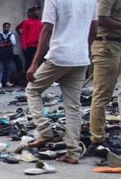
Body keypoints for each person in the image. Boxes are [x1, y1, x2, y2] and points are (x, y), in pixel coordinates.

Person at [26, 0, 98, 164]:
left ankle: (44, 130)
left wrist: (34, 62)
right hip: (80, 58)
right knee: (73, 105)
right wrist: (83, 50)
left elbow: (47, 29)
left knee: (33, 90)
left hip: (59, 56)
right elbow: (94, 28)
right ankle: (73, 152)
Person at [89, 0, 121, 151]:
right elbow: (101, 19)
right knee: (102, 94)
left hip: (118, 44)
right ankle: (97, 138)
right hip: (106, 45)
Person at [16, 6, 44, 72]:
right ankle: (26, 78)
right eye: (36, 11)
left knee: (38, 62)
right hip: (29, 46)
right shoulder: (27, 22)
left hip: (38, 46)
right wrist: (24, 45)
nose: (38, 13)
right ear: (33, 12)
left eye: (39, 11)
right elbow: (23, 34)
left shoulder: (41, 23)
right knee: (29, 62)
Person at [0, 23, 17, 88]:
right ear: (3, 27)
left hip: (8, 54)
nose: (6, 28)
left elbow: (14, 43)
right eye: (5, 27)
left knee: (8, 68)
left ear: (9, 28)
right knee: (0, 68)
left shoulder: (11, 35)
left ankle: (7, 81)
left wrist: (3, 43)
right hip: (0, 54)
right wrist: (7, 43)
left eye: (8, 27)